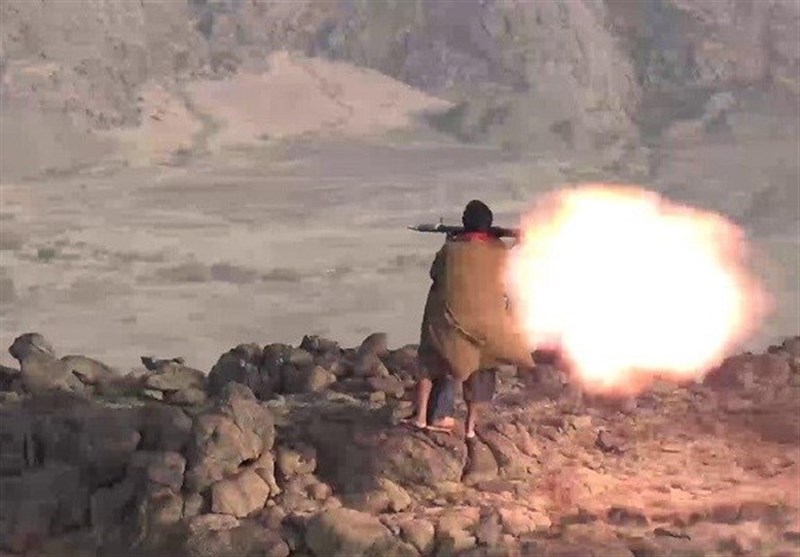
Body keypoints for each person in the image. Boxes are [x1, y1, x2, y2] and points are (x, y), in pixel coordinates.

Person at [404, 199, 527, 438]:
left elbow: (436, 273)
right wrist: (517, 243)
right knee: (482, 365)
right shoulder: (500, 250)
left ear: (464, 222)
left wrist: (450, 242)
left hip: (452, 326)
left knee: (432, 358)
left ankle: (422, 418)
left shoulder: (451, 250)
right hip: (490, 328)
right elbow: (507, 272)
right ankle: (470, 428)